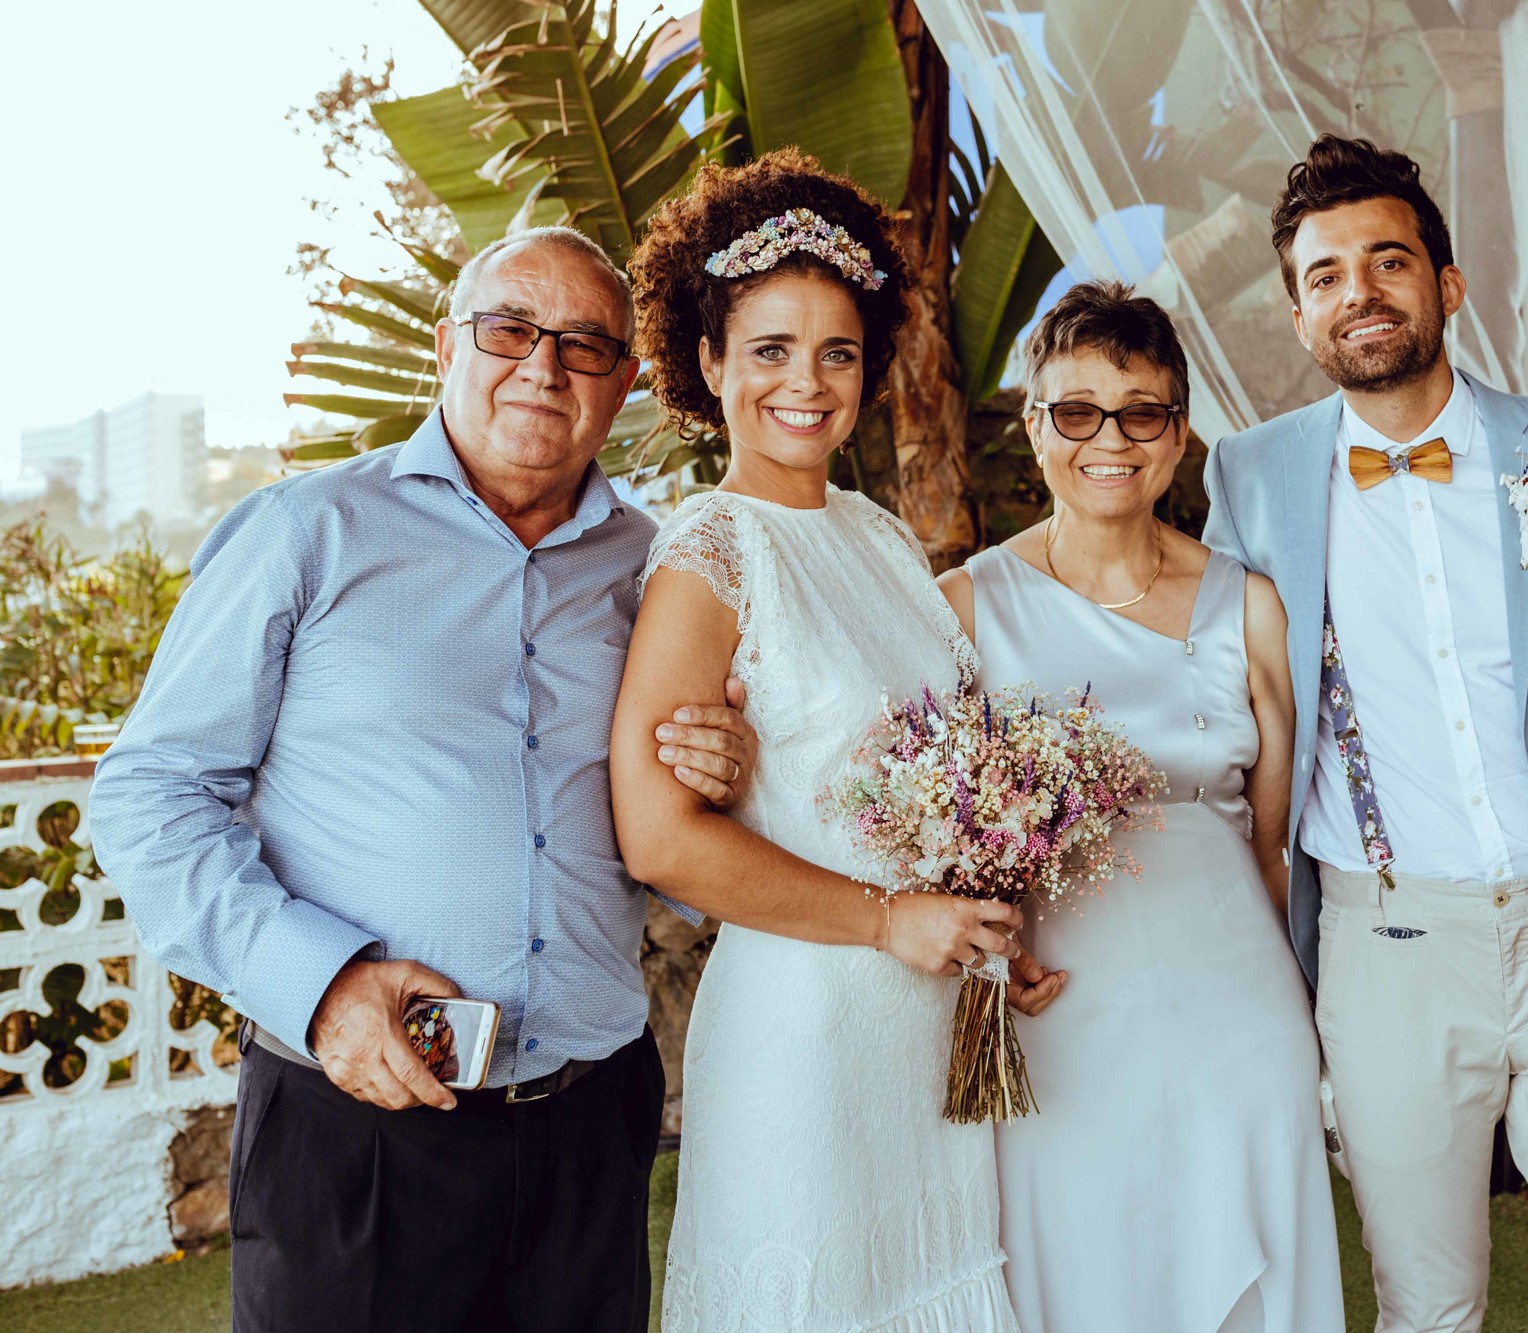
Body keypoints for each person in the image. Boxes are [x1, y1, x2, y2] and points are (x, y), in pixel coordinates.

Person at [91, 226, 756, 1332]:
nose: (542, 366)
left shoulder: (658, 568)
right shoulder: (308, 530)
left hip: (592, 1119)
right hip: (357, 1119)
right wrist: (320, 986)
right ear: (446, 347)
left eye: (585, 345)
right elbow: (152, 790)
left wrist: (721, 779)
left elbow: (674, 841)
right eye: (509, 331)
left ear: (626, 383)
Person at [1201, 135, 1528, 1332]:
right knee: (1425, 1310)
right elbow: (1199, 684)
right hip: (1385, 943)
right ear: (1297, 315)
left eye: (1388, 261)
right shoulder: (1248, 478)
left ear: (1444, 285)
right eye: (1324, 275)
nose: (1359, 293)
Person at [610, 148, 1024, 1333]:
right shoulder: (709, 552)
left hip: (928, 1018)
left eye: (836, 351)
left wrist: (986, 927)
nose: (807, 382)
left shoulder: (884, 540)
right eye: (770, 350)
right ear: (707, 364)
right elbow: (660, 838)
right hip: (805, 1030)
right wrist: (890, 918)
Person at [937, 281, 1343, 1333]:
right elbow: (932, 833)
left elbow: (1270, 848)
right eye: (1074, 410)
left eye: (1140, 411)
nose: (1106, 438)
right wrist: (989, 953)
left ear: (1178, 434)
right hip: (1061, 1009)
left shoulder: (1247, 605)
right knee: (1079, 1271)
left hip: (1237, 1012)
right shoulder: (964, 609)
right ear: (1033, 428)